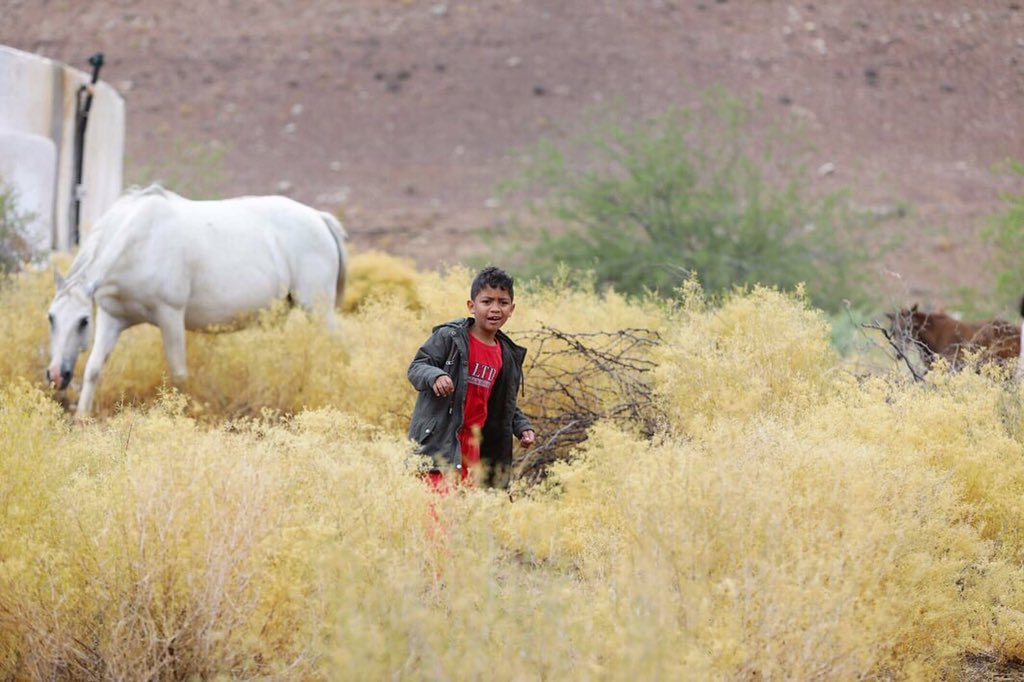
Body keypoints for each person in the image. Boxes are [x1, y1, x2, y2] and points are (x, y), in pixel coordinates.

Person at [407, 266, 535, 490]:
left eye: (502, 303)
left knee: (467, 515)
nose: (495, 309)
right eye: (487, 302)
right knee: (439, 512)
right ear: (471, 305)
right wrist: (435, 376)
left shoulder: (505, 354)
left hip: (476, 447)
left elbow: (501, 402)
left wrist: (521, 426)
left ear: (512, 309)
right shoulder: (451, 337)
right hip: (442, 440)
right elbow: (417, 367)